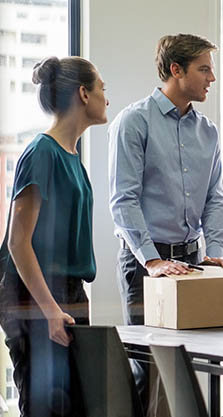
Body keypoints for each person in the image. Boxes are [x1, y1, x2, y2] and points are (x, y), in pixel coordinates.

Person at [108, 33, 223, 410]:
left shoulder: (208, 131)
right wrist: (152, 260)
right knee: (146, 370)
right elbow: (123, 199)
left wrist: (214, 252)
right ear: (175, 70)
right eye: (204, 69)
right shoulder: (134, 122)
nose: (211, 78)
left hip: (193, 264)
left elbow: (215, 197)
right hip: (144, 266)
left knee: (189, 368)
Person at [0, 56, 108, 416]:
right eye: (101, 88)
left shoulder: (72, 156)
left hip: (69, 292)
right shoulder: (42, 153)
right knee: (47, 407)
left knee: (78, 404)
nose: (106, 97)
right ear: (83, 93)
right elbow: (18, 242)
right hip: (35, 295)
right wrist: (49, 310)